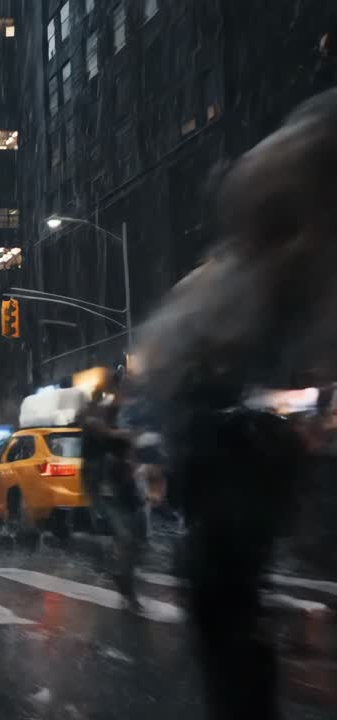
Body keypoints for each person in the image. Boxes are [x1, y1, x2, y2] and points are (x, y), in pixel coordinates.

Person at [133, 89, 337, 720]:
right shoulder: (228, 292)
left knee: (226, 607)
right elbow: (166, 368)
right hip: (230, 474)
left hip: (238, 479)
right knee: (225, 608)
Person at [77, 370, 144, 611]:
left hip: (124, 483)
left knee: (137, 537)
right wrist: (125, 435)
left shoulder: (124, 413)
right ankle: (125, 584)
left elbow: (129, 447)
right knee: (124, 536)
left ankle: (122, 576)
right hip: (108, 485)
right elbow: (102, 432)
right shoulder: (97, 416)